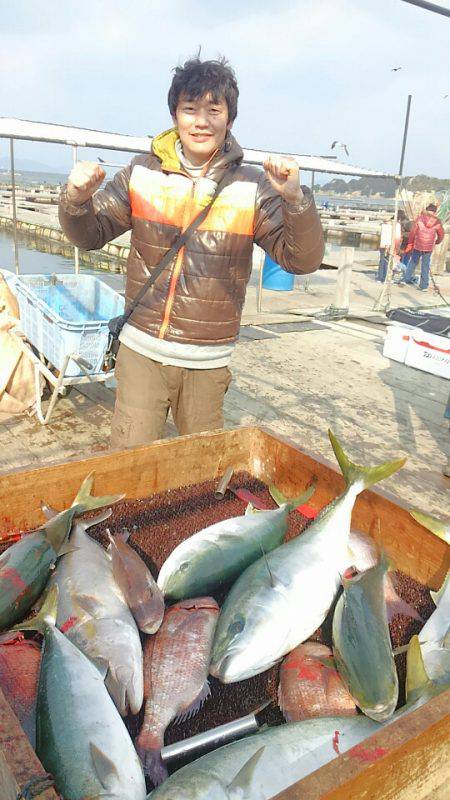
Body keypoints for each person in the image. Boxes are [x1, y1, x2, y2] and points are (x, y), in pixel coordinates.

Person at [59, 56, 324, 449]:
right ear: (174, 115)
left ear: (229, 119)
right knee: (127, 464)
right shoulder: (141, 173)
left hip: (207, 362)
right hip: (141, 352)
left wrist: (295, 199)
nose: (201, 121)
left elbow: (301, 260)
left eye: (213, 110)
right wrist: (76, 200)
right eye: (190, 109)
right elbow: (90, 234)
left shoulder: (251, 186)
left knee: (198, 477)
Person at [404, 204, 444, 291]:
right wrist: (437, 242)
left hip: (418, 244)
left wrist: (410, 243)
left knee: (413, 262)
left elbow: (413, 233)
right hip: (429, 247)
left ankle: (406, 279)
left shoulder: (420, 219)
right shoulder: (437, 222)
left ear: (427, 210)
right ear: (435, 212)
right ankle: (423, 286)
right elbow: (441, 235)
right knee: (425, 265)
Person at [377, 214, 401, 282]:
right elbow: (397, 238)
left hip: (383, 244)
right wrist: (397, 248)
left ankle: (380, 277)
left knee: (382, 261)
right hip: (391, 245)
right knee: (388, 261)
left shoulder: (384, 225)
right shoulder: (397, 226)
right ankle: (385, 277)